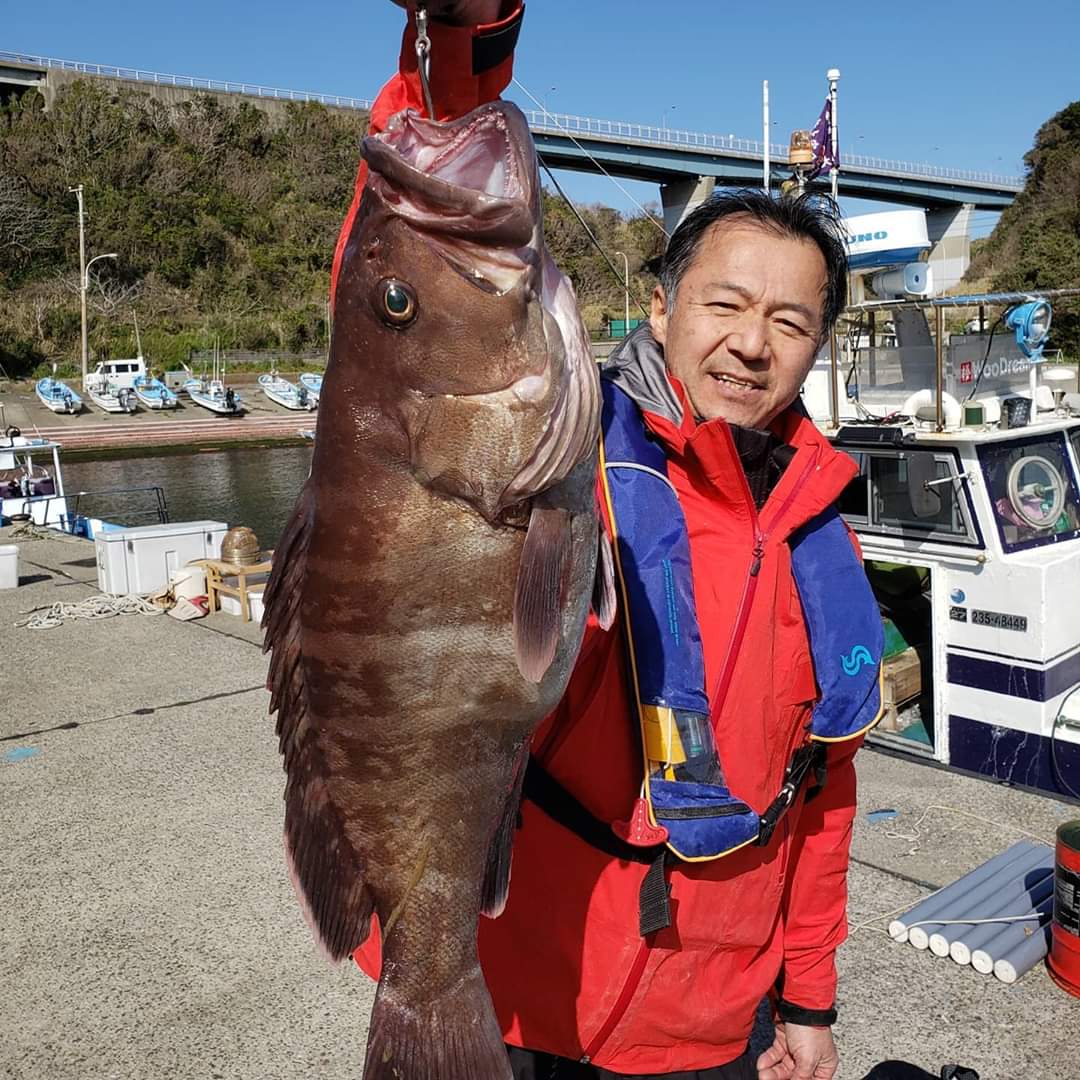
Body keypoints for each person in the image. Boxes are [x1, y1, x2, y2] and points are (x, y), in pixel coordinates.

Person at [348, 6, 881, 1080]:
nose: (751, 341)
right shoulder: (554, 447)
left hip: (711, 1022)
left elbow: (821, 801)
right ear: (659, 305)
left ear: (818, 345)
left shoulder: (826, 530)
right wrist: (466, 39)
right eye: (724, 302)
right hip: (521, 993)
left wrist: (808, 998)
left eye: (791, 321)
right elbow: (408, 295)